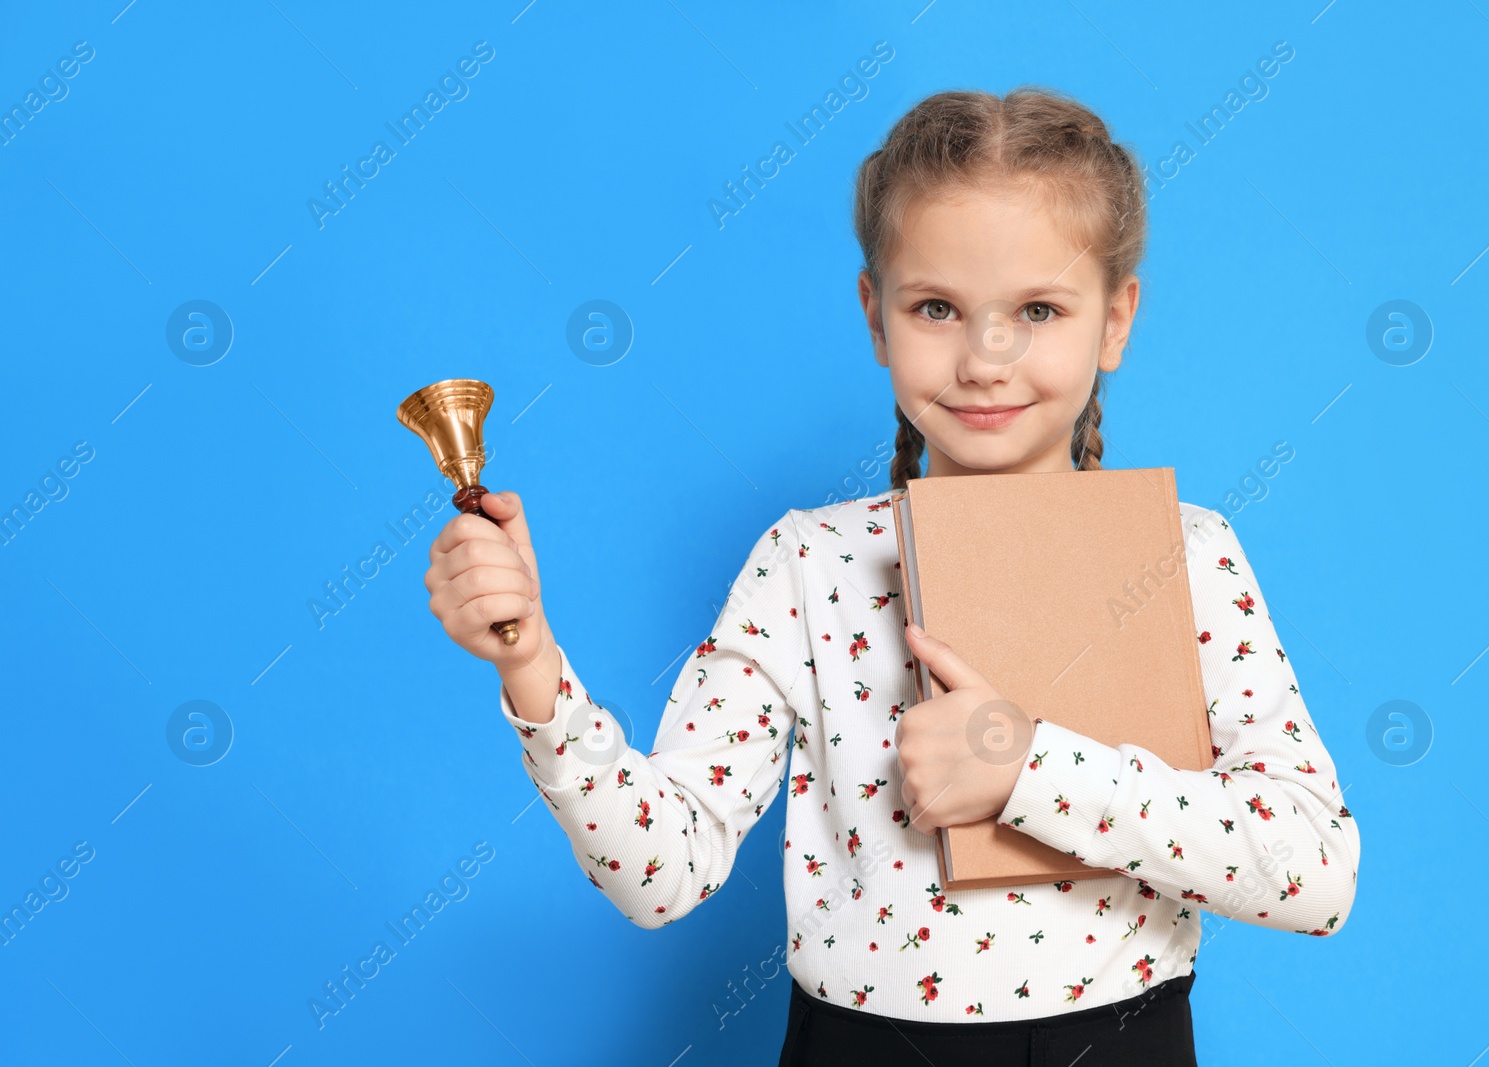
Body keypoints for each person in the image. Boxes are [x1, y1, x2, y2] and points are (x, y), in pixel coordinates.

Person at [422, 85, 1360, 1066]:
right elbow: (663, 871)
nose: (985, 357)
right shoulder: (807, 562)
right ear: (876, 316)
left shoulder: (1184, 552)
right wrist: (531, 664)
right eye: (936, 307)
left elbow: (1316, 873)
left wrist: (1026, 766)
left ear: (1115, 318)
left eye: (1037, 308)